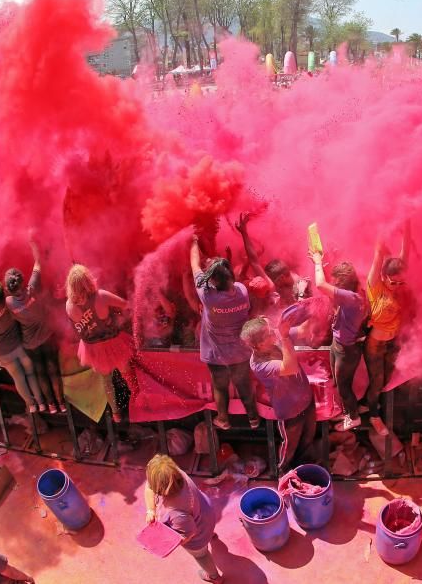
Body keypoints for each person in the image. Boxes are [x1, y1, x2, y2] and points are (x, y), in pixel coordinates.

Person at [190, 236, 258, 430]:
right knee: (245, 385)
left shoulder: (208, 296)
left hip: (216, 354)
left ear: (212, 281)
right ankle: (254, 419)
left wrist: (194, 241)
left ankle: (223, 420)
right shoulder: (242, 290)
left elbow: (194, 265)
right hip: (240, 352)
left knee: (220, 386)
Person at [65, 264, 138, 423]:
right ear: (88, 280)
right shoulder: (101, 296)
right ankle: (139, 403)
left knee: (106, 380)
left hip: (92, 349)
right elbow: (126, 305)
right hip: (113, 343)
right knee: (127, 373)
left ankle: (116, 414)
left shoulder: (69, 306)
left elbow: (76, 330)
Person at [241, 316, 317, 471]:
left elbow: (303, 330)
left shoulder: (274, 338)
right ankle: (282, 472)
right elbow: (290, 368)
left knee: (308, 441)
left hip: (307, 401)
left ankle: (304, 470)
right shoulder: (259, 364)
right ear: (260, 344)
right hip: (290, 413)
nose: (274, 332)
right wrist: (284, 337)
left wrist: (316, 308)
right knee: (289, 448)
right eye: (270, 333)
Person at [308, 248, 367, 431]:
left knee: (343, 387)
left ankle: (354, 418)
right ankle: (349, 410)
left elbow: (320, 285)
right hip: (339, 344)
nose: (332, 283)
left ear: (343, 283)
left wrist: (317, 262)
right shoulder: (351, 293)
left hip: (346, 350)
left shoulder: (351, 298)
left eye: (335, 281)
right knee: (338, 381)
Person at [5, 239, 66, 413]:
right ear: (22, 281)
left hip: (30, 343)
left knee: (40, 372)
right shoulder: (32, 288)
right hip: (47, 336)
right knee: (53, 370)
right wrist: (33, 243)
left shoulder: (9, 302)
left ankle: (50, 406)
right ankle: (61, 403)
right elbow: (38, 262)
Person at [144, 454, 224, 583]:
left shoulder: (175, 511)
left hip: (197, 531)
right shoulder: (176, 474)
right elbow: (149, 487)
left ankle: (214, 577)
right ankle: (210, 535)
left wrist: (172, 542)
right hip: (206, 511)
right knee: (206, 530)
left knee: (201, 554)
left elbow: (189, 533)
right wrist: (151, 510)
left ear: (160, 488)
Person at [364, 224, 412, 436]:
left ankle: (372, 405)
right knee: (377, 382)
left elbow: (405, 251)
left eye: (402, 282)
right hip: (375, 345)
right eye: (394, 282)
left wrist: (407, 225)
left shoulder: (398, 278)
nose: (398, 286)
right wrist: (382, 226)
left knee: (387, 379)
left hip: (392, 342)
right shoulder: (375, 286)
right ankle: (373, 416)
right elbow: (377, 255)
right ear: (383, 277)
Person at [0, 274, 44, 414]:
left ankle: (31, 405)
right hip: (21, 345)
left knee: (19, 379)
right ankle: (42, 403)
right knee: (31, 374)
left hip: (5, 352)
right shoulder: (9, 299)